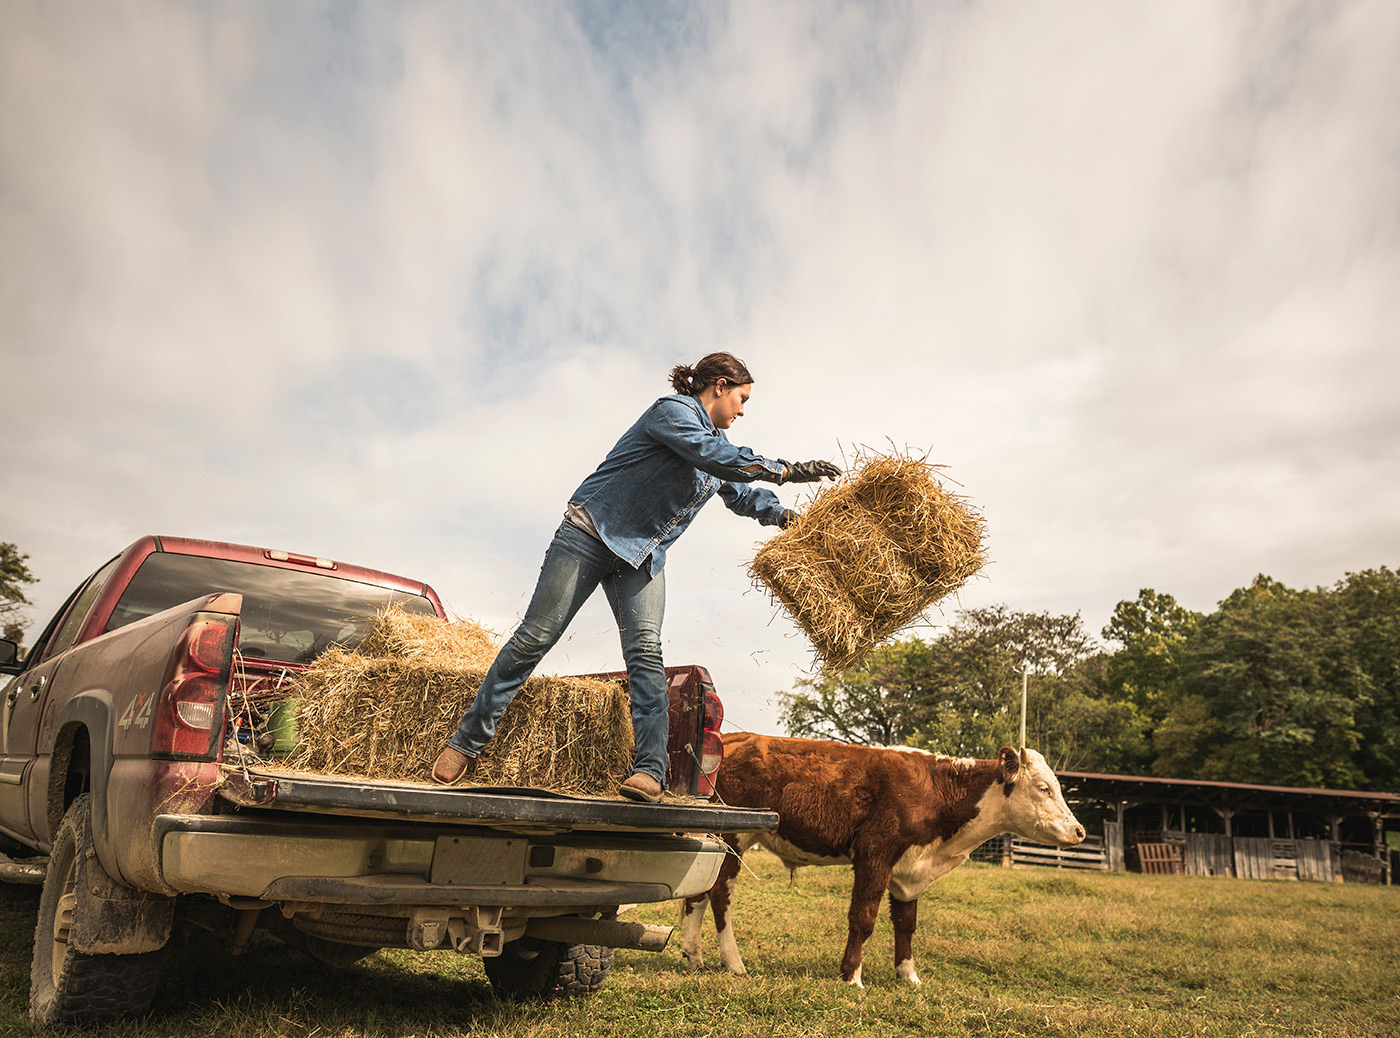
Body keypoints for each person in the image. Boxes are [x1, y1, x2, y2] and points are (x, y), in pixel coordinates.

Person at [432, 352, 840, 802]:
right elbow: (713, 455)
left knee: (646, 653)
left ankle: (650, 772)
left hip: (641, 556)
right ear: (720, 386)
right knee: (536, 637)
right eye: (741, 399)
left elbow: (740, 493)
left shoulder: (716, 446)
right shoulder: (673, 413)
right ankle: (465, 742)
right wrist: (785, 469)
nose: (742, 411)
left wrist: (787, 517)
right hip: (590, 533)